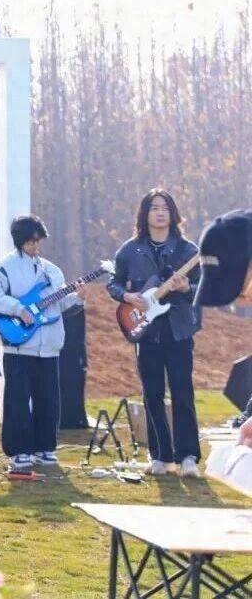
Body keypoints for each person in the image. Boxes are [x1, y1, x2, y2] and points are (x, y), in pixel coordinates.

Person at [108, 189, 202, 477]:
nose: (160, 213)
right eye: (154, 207)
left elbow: (202, 288)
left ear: (173, 214)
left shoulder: (188, 250)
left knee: (182, 392)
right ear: (145, 213)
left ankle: (188, 457)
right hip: (146, 331)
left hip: (178, 330)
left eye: (165, 208)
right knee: (152, 394)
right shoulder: (129, 249)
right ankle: (160, 456)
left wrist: (186, 288)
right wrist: (127, 296)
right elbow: (114, 284)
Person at [0, 215, 77, 474]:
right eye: (31, 241)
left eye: (38, 241)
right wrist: (17, 308)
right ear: (19, 240)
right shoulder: (4, 268)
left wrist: (74, 298)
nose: (35, 246)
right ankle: (19, 451)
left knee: (49, 399)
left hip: (49, 344)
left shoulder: (51, 270)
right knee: (18, 399)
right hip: (19, 344)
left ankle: (45, 447)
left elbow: (59, 302)